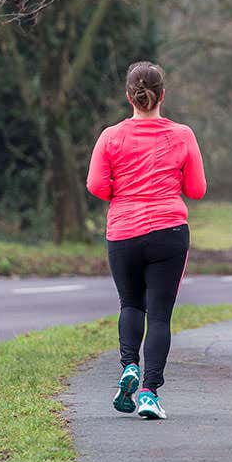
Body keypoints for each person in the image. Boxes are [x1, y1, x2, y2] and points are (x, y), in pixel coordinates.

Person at [86, 61, 207, 420]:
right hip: (168, 232)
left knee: (130, 305)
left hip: (123, 232)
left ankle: (128, 366)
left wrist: (120, 193)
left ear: (129, 97)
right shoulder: (182, 135)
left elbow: (95, 185)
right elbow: (197, 190)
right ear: (162, 95)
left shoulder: (111, 136)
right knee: (159, 317)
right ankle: (149, 394)